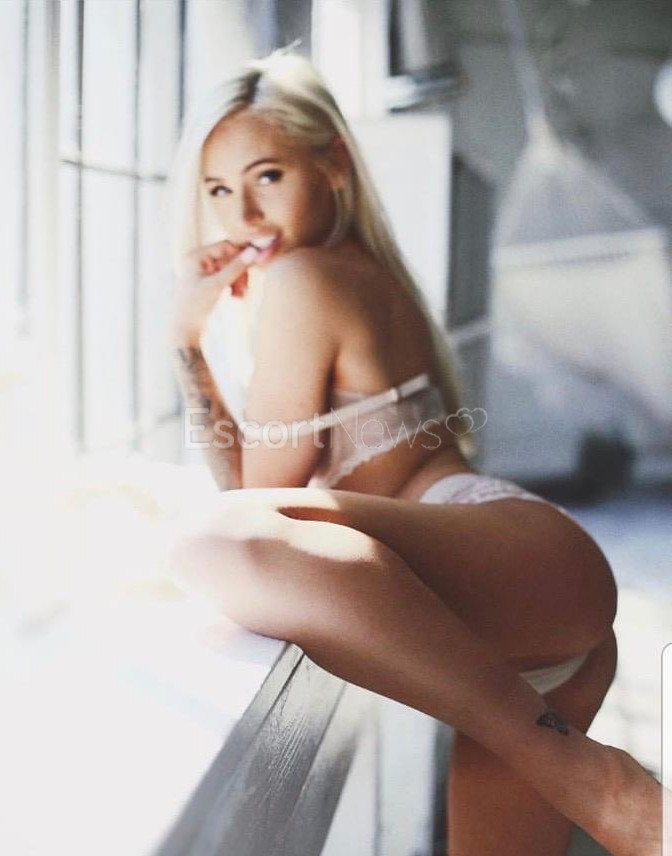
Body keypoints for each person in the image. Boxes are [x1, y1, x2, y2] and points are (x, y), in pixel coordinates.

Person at [166, 50, 664, 855]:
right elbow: (271, 498)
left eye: (267, 177)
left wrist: (186, 345)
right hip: (529, 579)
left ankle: (583, 772)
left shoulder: (303, 277)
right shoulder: (367, 270)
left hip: (519, 560)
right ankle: (577, 770)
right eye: (218, 190)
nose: (244, 215)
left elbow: (251, 501)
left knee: (206, 543)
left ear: (333, 163)